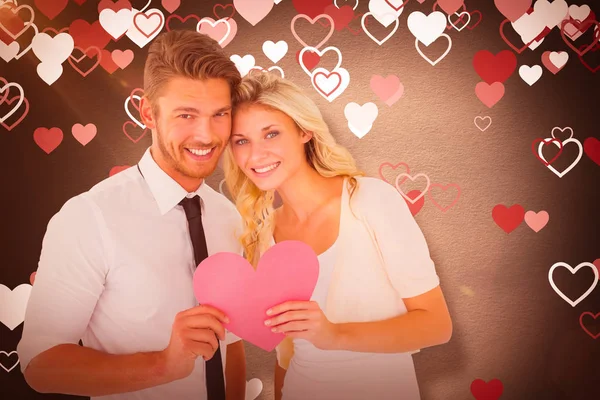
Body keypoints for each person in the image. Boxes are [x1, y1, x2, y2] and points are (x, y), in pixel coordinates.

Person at [17, 30, 247, 400]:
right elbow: (39, 364)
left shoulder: (228, 217)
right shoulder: (89, 217)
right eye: (186, 115)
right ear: (147, 112)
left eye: (219, 114)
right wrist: (164, 365)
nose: (206, 135)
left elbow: (231, 345)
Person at [222, 71, 453, 400]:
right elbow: (286, 352)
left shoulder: (370, 201)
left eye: (271, 134)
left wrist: (334, 335)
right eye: (241, 140)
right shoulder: (263, 234)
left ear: (304, 131)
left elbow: (437, 325)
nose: (255, 155)